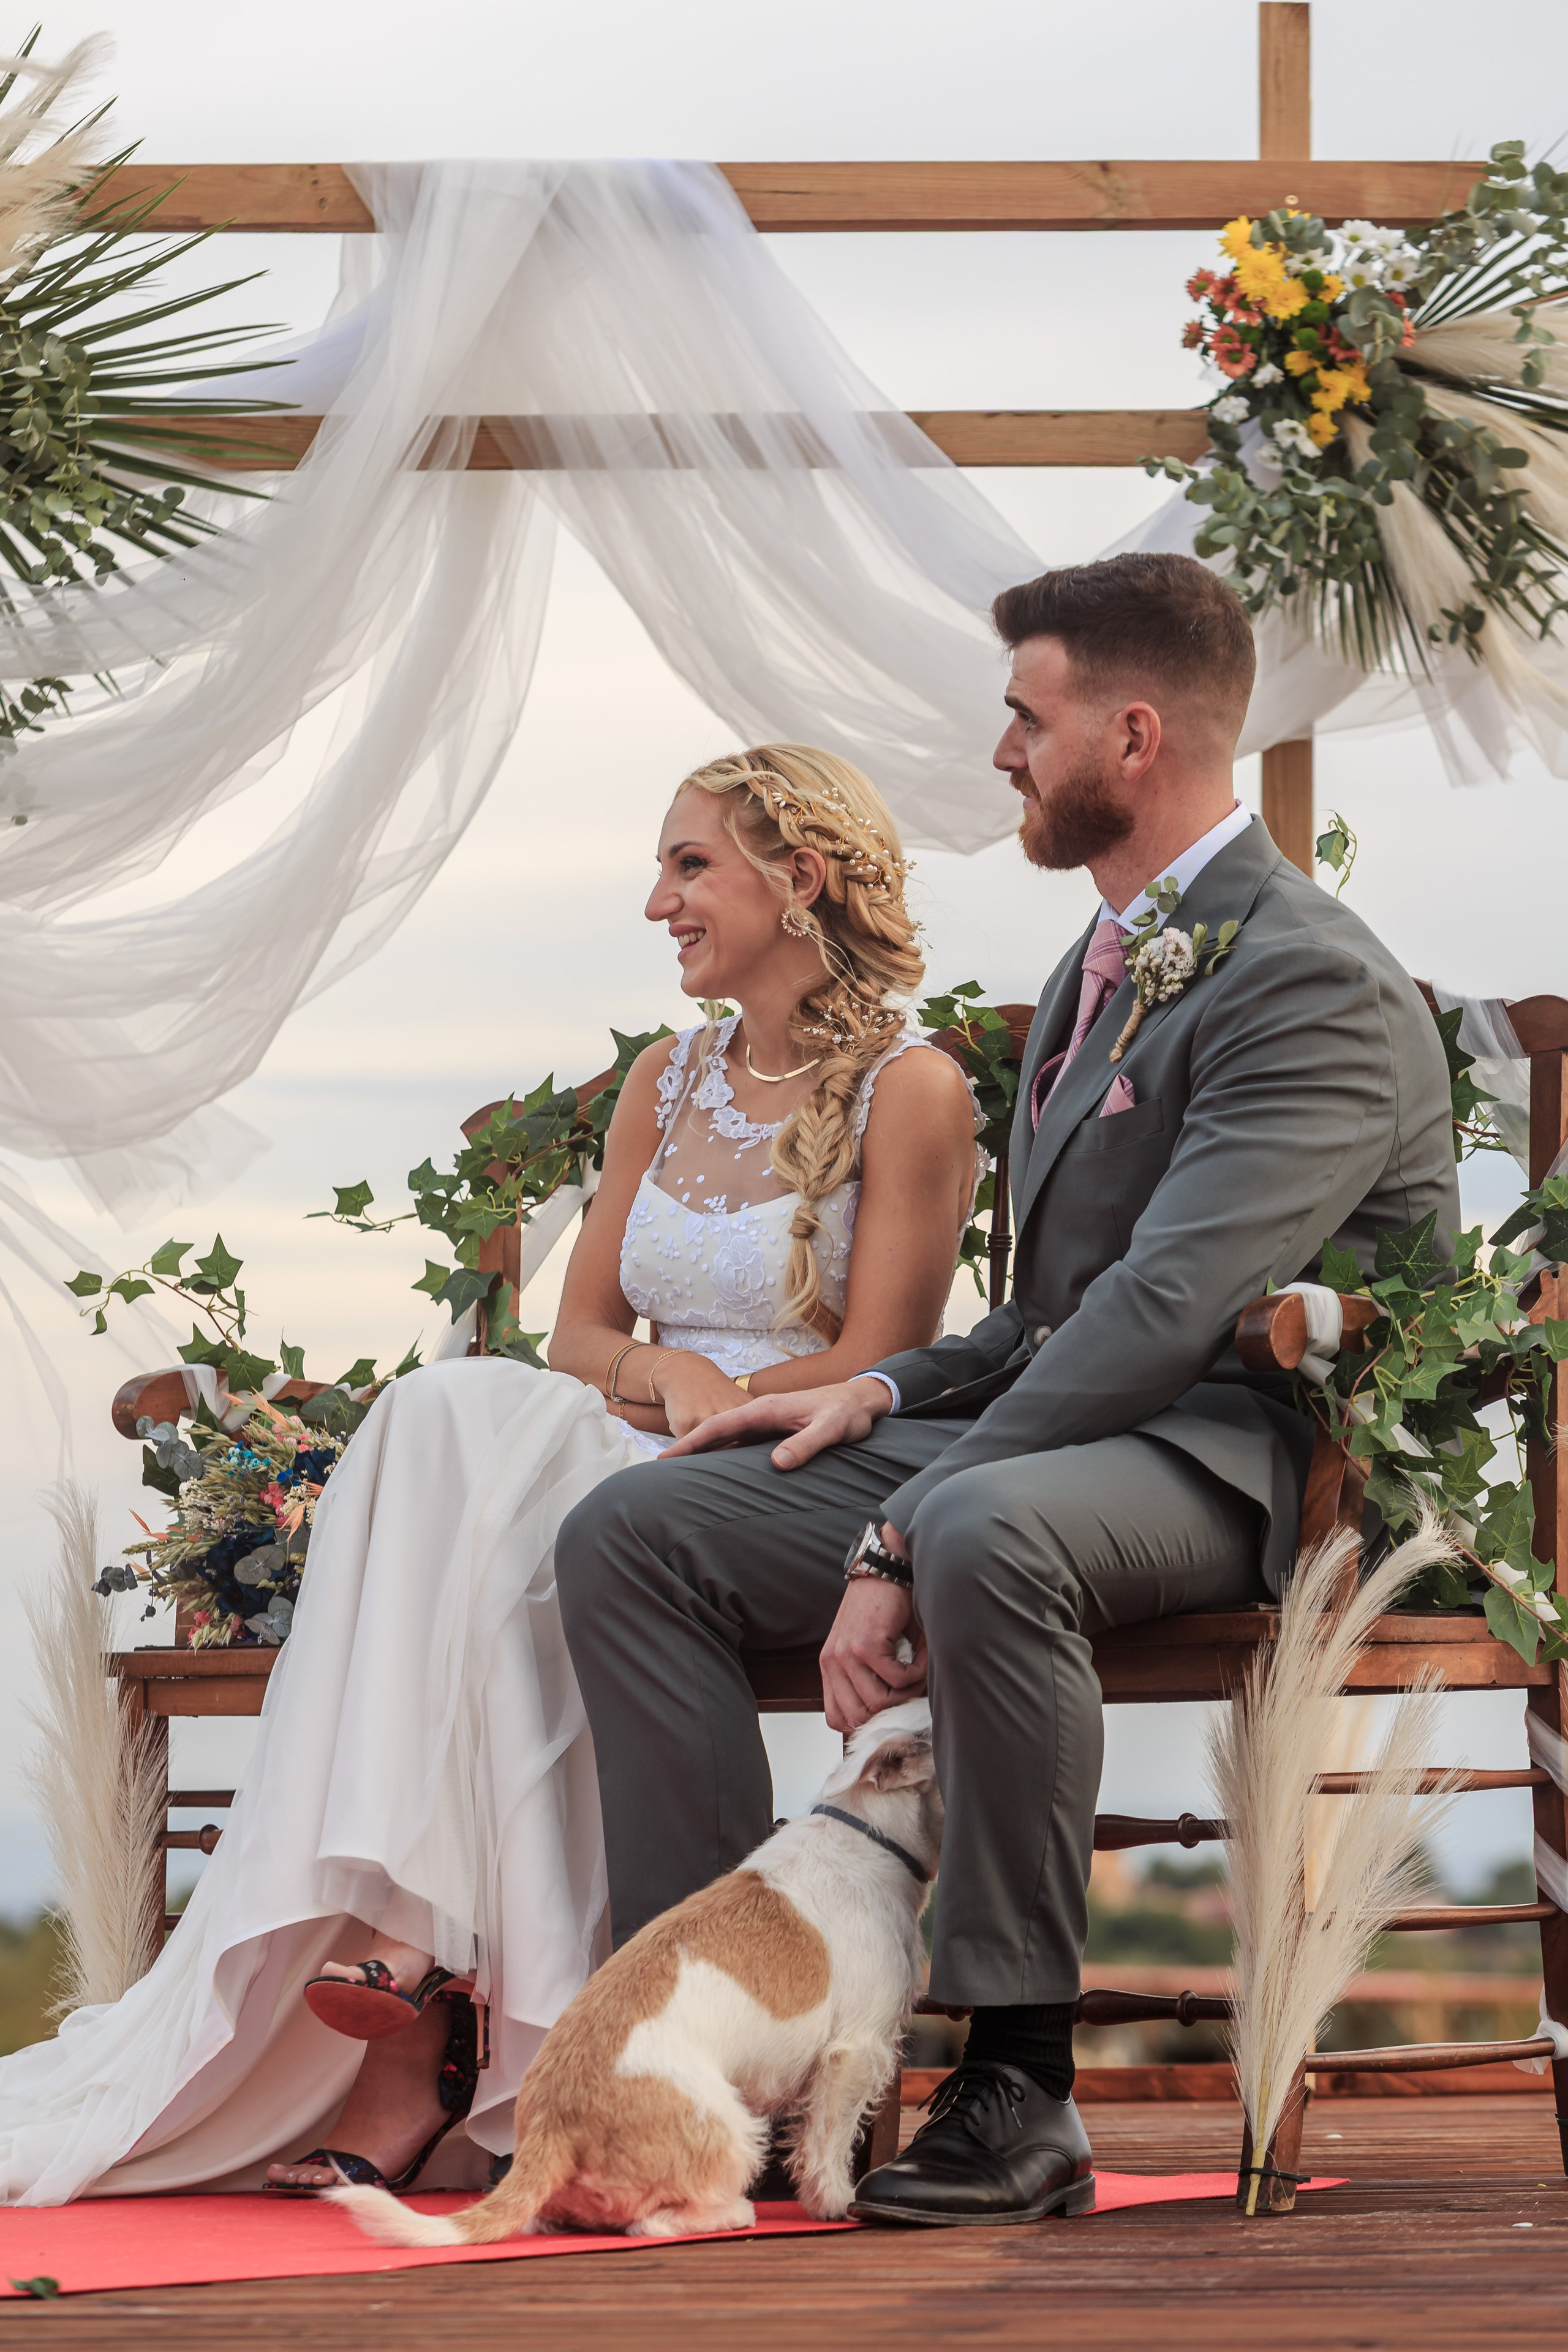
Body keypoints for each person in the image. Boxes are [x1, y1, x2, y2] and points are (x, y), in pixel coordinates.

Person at [556, 554, 1461, 2228]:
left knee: (981, 1529)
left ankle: (1016, 2082)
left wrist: (899, 1521)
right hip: (1064, 1425)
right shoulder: (1098, 965)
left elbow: (1170, 1306)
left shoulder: (1305, 976)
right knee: (641, 1528)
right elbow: (1043, 1318)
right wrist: (875, 1396)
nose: (1002, 755)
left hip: (1245, 1446)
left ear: (1130, 734)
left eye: (1023, 722)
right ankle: (703, 2060)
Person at [0, 745, 979, 2206]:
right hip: (645, 1432)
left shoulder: (916, 1092)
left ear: (801, 878)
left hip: (798, 1462)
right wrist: (664, 1377)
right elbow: (580, 1335)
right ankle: (436, 1966)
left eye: (688, 864)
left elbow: (886, 1353)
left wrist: (722, 1399)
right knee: (439, 1415)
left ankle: (428, 1987)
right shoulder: (668, 1075)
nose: (657, 900)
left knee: (522, 1480)